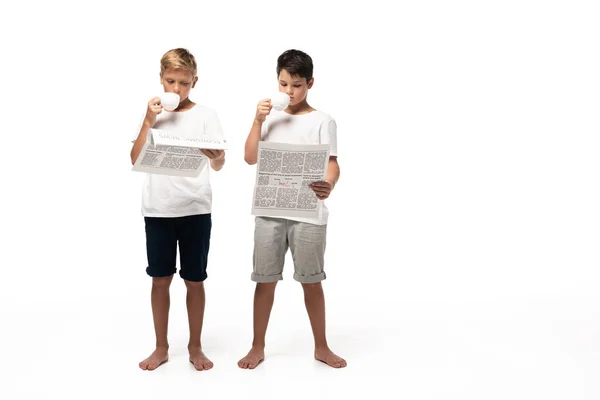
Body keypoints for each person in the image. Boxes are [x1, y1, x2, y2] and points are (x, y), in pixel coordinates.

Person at [238, 49, 346, 369]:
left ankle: (322, 346)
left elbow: (333, 164)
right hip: (270, 212)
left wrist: (330, 183)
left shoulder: (323, 121)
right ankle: (257, 346)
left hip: (308, 213)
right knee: (265, 280)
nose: (289, 92)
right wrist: (258, 120)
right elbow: (248, 157)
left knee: (312, 281)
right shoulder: (269, 115)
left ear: (310, 83)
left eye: (296, 85)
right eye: (284, 84)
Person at [130, 48, 225, 371]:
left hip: (196, 209)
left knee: (195, 280)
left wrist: (215, 156)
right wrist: (148, 120)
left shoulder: (206, 115)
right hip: (158, 210)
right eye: (170, 81)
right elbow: (134, 159)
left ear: (194, 82)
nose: (176, 89)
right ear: (160, 80)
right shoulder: (154, 113)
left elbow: (221, 162)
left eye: (183, 83)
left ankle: (195, 346)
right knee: (159, 279)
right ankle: (160, 347)